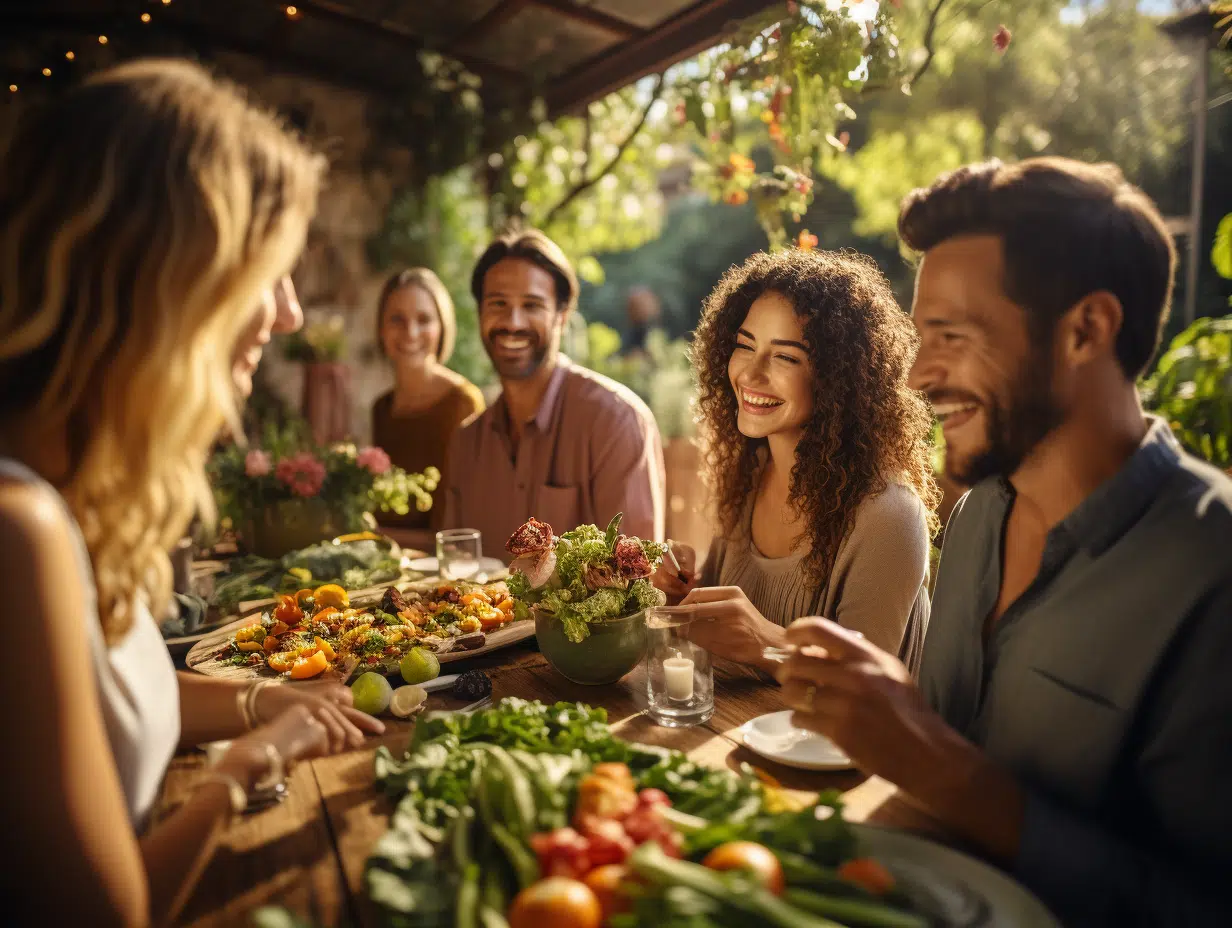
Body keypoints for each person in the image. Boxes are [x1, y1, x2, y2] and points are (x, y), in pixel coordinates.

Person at [775, 157, 1232, 926]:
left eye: (950, 335)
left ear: (1086, 329)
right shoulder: (978, 515)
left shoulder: (1211, 567)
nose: (918, 376)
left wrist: (946, 771)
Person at [0, 59, 382, 925]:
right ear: (168, 278)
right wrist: (241, 770)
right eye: (266, 271)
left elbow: (106, 702)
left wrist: (262, 701)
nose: (287, 314)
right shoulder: (16, 531)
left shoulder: (71, 492)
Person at [651, 249, 940, 674]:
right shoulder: (747, 478)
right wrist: (680, 595)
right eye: (744, 345)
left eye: (785, 356)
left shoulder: (889, 515)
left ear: (840, 379)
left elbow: (867, 684)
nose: (750, 374)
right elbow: (711, 640)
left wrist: (769, 643)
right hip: (733, 733)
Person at [443, 228, 665, 556]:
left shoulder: (617, 423)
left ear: (561, 316)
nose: (513, 322)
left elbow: (636, 583)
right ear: (480, 314)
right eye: (498, 303)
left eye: (532, 305)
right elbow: (450, 571)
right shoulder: (465, 445)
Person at [371, 268, 485, 550]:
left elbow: (459, 534)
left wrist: (370, 535)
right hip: (389, 563)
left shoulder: (463, 403)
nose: (410, 332)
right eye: (397, 319)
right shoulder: (382, 409)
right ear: (381, 329)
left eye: (424, 320)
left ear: (442, 328)